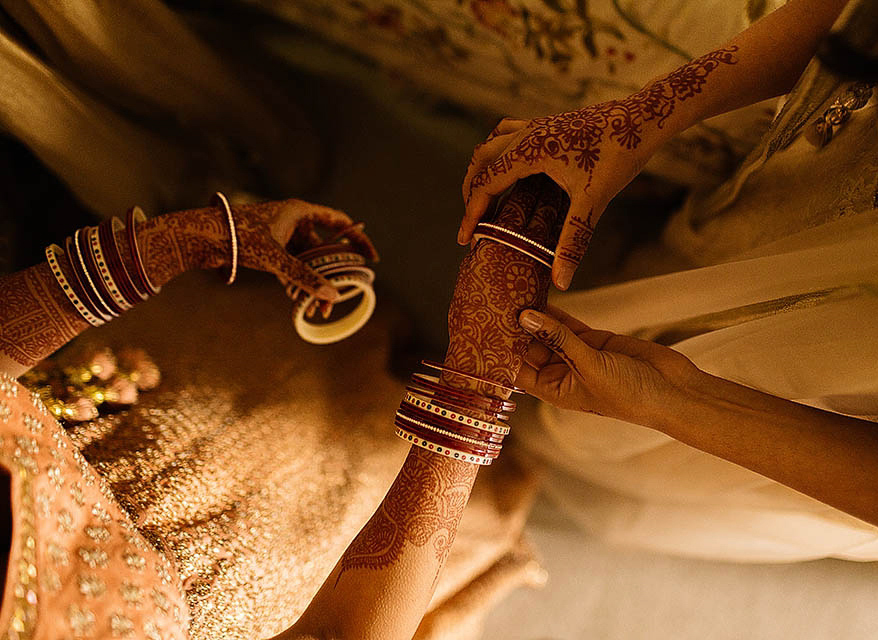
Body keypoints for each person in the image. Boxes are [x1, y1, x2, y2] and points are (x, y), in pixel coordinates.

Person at [461, 0, 878, 561]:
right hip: (814, 213)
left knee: (619, 437)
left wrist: (677, 402)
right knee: (657, 294)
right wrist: (637, 118)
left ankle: (535, 457)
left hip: (857, 422)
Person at [0, 182, 561, 639]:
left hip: (89, 434)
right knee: (359, 456)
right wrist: (477, 377)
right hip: (234, 583)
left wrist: (184, 242)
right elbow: (340, 633)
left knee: (266, 346)